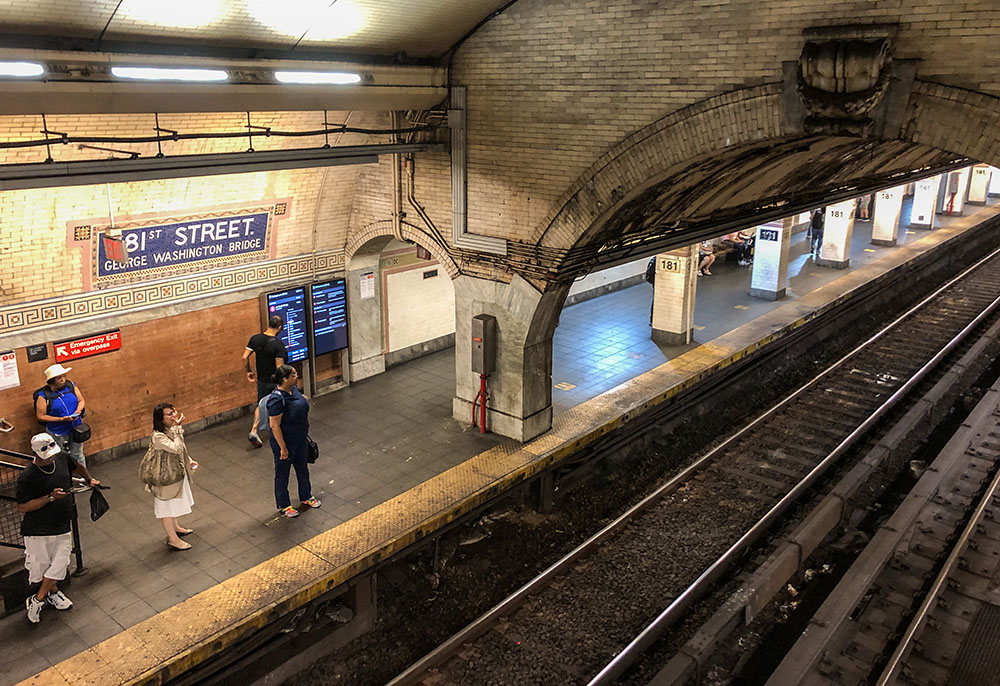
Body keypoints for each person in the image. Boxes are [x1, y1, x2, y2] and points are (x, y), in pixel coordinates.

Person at [16, 432, 99, 624]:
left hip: (62, 523)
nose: (51, 456)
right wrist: (50, 498)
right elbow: (22, 507)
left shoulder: (61, 457)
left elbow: (77, 465)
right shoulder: (27, 477)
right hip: (37, 530)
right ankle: (52, 593)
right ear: (36, 454)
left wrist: (89, 479)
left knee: (60, 563)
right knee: (40, 568)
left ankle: (37, 600)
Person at [268, 365, 320, 518]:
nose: (297, 376)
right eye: (294, 375)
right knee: (282, 473)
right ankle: (285, 505)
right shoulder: (277, 399)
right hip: (285, 442)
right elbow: (274, 425)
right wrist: (282, 448)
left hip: (300, 438)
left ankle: (306, 496)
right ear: (285, 379)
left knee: (302, 468)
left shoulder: (294, 390)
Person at [148, 403, 198, 550]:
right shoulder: (157, 436)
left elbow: (181, 447)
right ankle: (173, 539)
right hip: (164, 478)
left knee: (173, 503)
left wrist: (189, 460)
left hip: (174, 473)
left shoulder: (171, 429)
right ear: (160, 418)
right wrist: (177, 429)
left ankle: (176, 527)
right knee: (166, 508)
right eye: (169, 414)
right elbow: (176, 448)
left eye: (173, 412)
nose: (173, 415)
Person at [243, 315, 288, 448]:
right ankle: (278, 431)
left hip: (262, 379)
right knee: (279, 404)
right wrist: (283, 383)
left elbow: (244, 357)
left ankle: (254, 430)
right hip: (275, 382)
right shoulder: (278, 344)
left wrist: (249, 371)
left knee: (261, 404)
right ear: (280, 327)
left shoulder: (255, 339)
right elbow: (279, 367)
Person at [34, 364, 87, 467]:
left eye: (64, 376)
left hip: (75, 426)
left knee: (77, 454)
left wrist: (77, 411)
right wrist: (60, 419)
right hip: (57, 430)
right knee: (59, 456)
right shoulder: (43, 396)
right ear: (52, 381)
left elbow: (81, 400)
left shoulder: (71, 386)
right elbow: (41, 416)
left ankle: (85, 478)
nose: (63, 380)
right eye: (59, 378)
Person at [645, 256, 656, 325]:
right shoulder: (656, 260)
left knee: (654, 300)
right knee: (655, 301)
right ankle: (653, 319)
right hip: (657, 283)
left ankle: (652, 319)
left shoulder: (653, 259)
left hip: (654, 282)